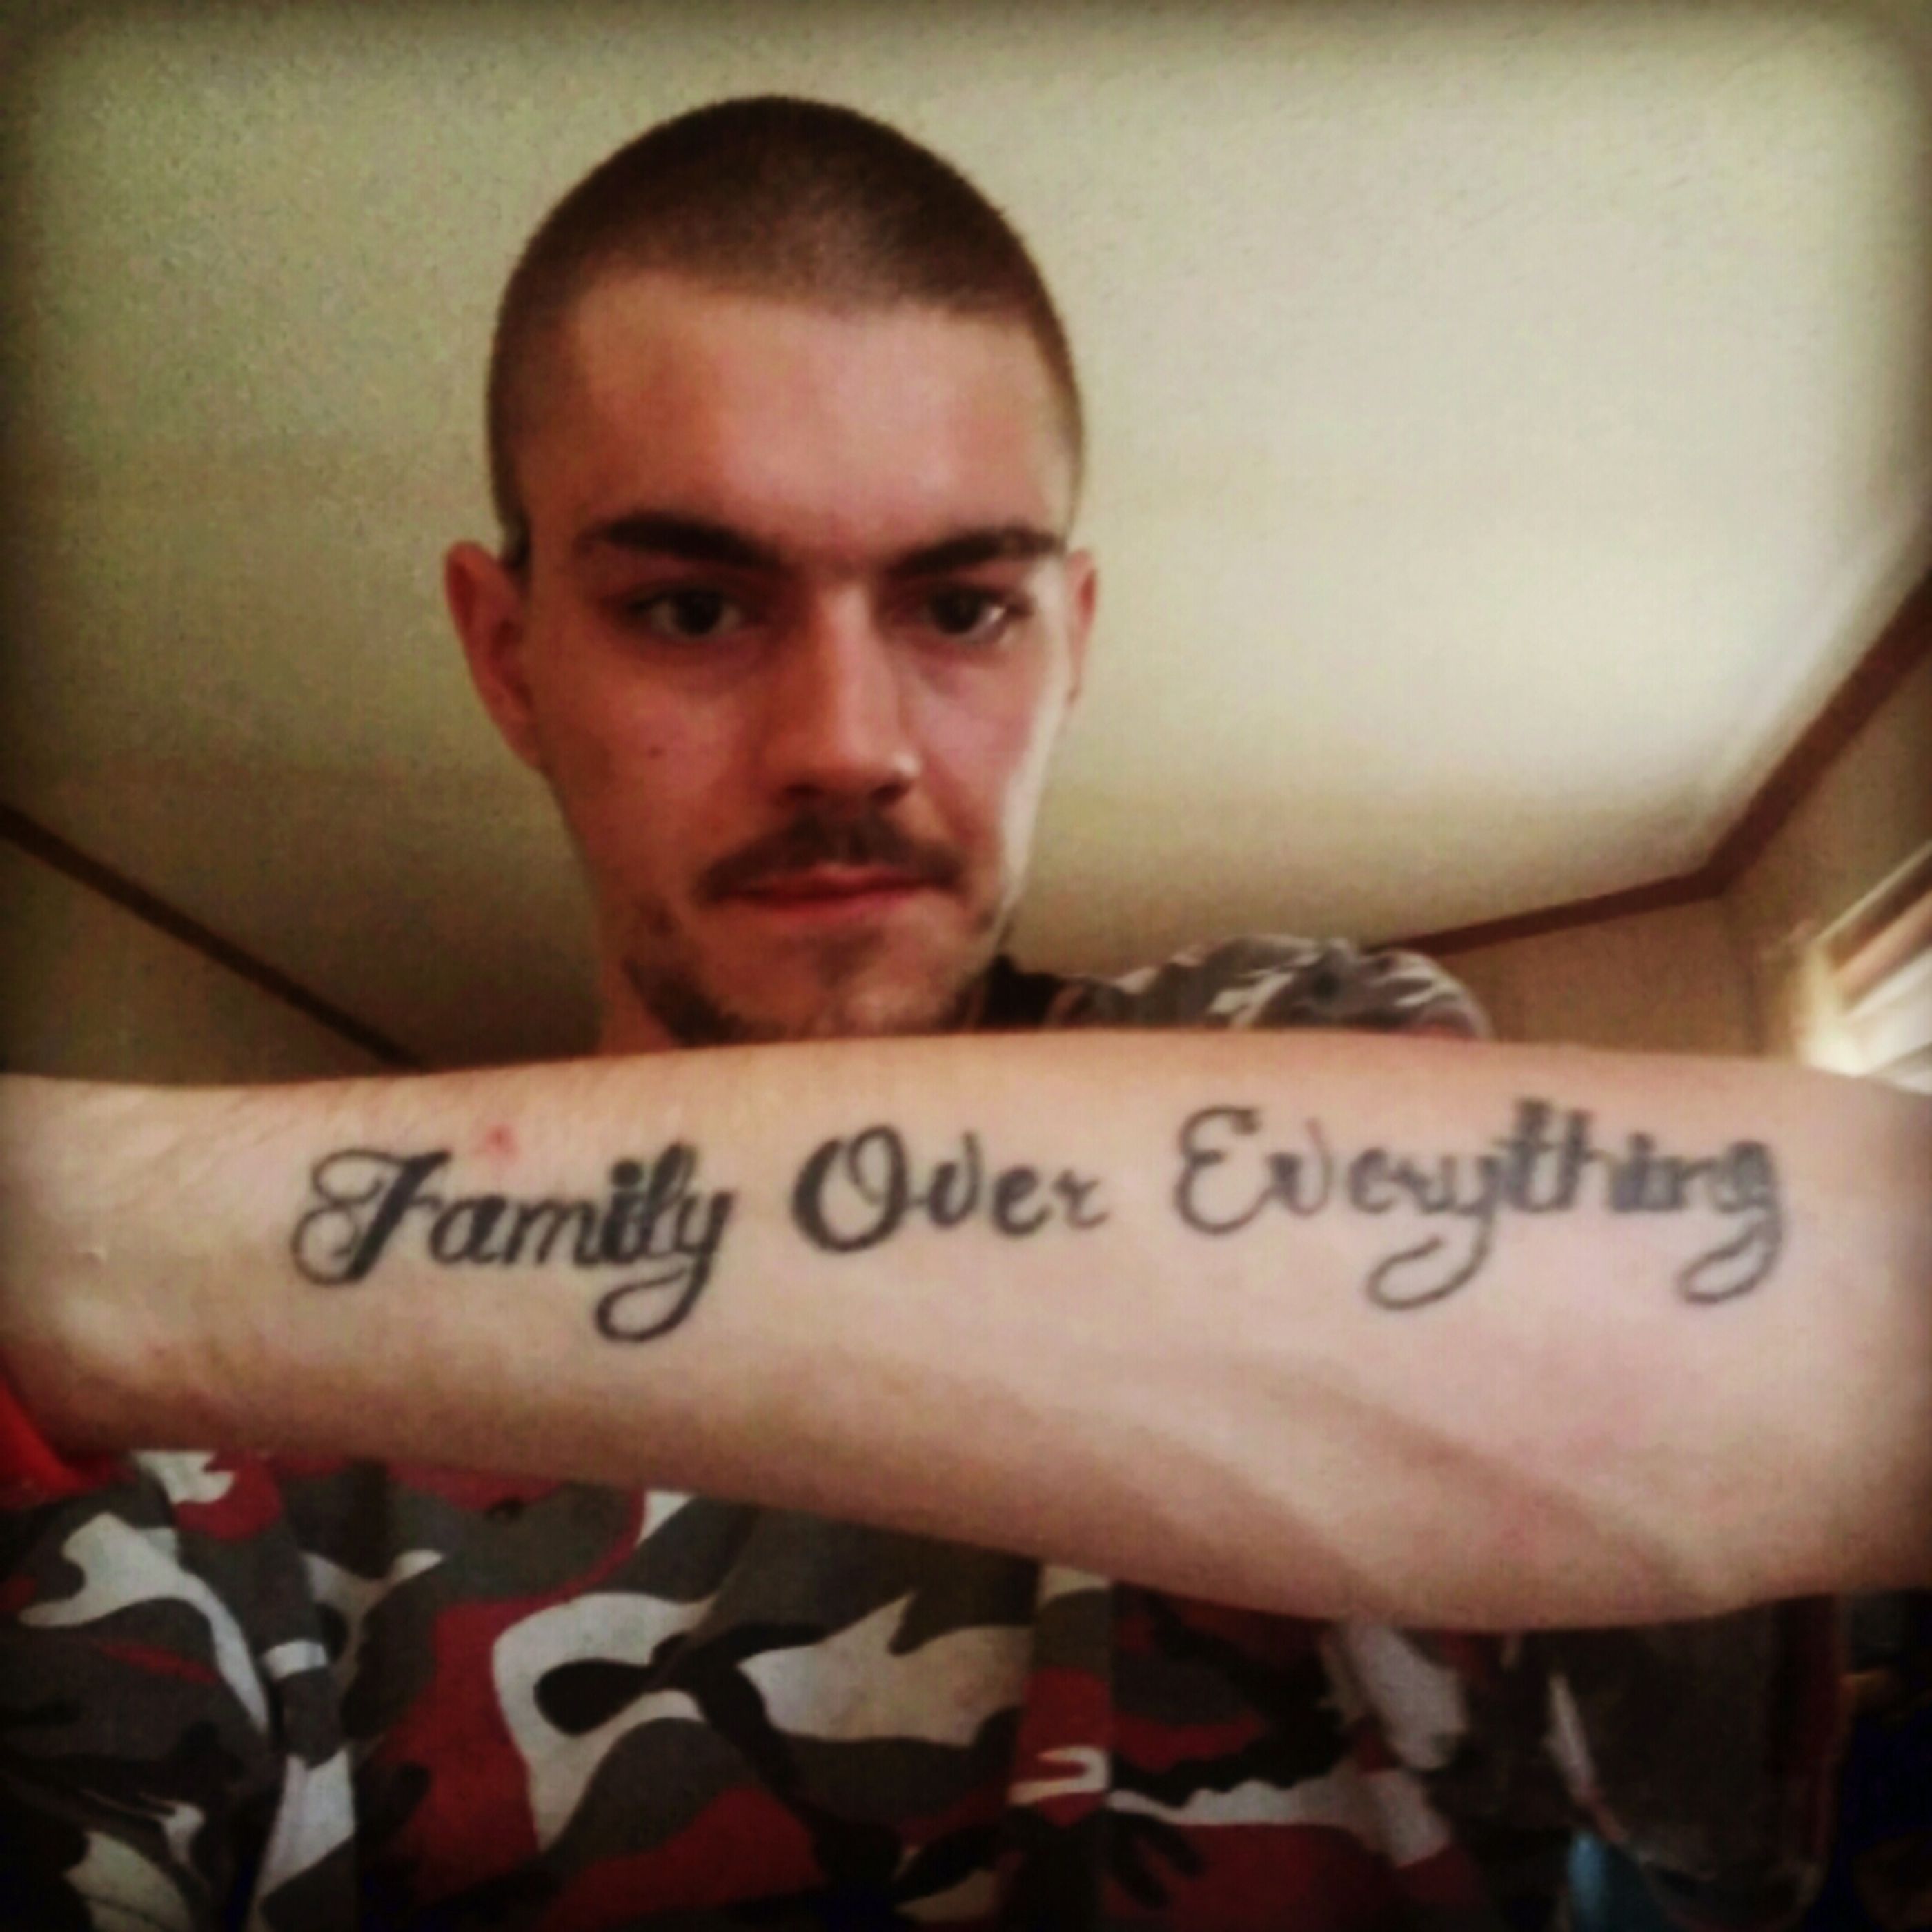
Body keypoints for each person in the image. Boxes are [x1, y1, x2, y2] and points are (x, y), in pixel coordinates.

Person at [1, 96, 1926, 1930]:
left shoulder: (1278, 1047)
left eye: (960, 608)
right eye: (694, 608)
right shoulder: (218, 1478)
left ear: (1072, 639)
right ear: (510, 659)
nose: (848, 743)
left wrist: (67, 1221)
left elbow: (1835, 1312)